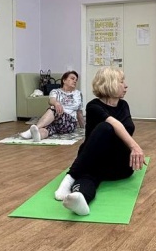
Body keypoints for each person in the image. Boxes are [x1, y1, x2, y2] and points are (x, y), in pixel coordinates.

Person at [53, 66, 145, 216]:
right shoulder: (93, 106)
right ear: (109, 83)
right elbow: (114, 123)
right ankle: (79, 197)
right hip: (94, 160)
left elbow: (122, 128)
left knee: (105, 129)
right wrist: (135, 146)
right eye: (121, 81)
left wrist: (132, 148)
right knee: (104, 130)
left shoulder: (123, 105)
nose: (126, 85)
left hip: (119, 165)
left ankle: (71, 178)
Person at [20, 71, 84, 141]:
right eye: (72, 78)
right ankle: (38, 136)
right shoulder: (55, 91)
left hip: (70, 123)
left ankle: (31, 130)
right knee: (45, 128)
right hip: (55, 122)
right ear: (64, 80)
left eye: (76, 80)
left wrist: (83, 127)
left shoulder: (78, 94)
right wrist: (56, 103)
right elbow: (51, 100)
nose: (75, 81)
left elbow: (79, 112)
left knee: (53, 109)